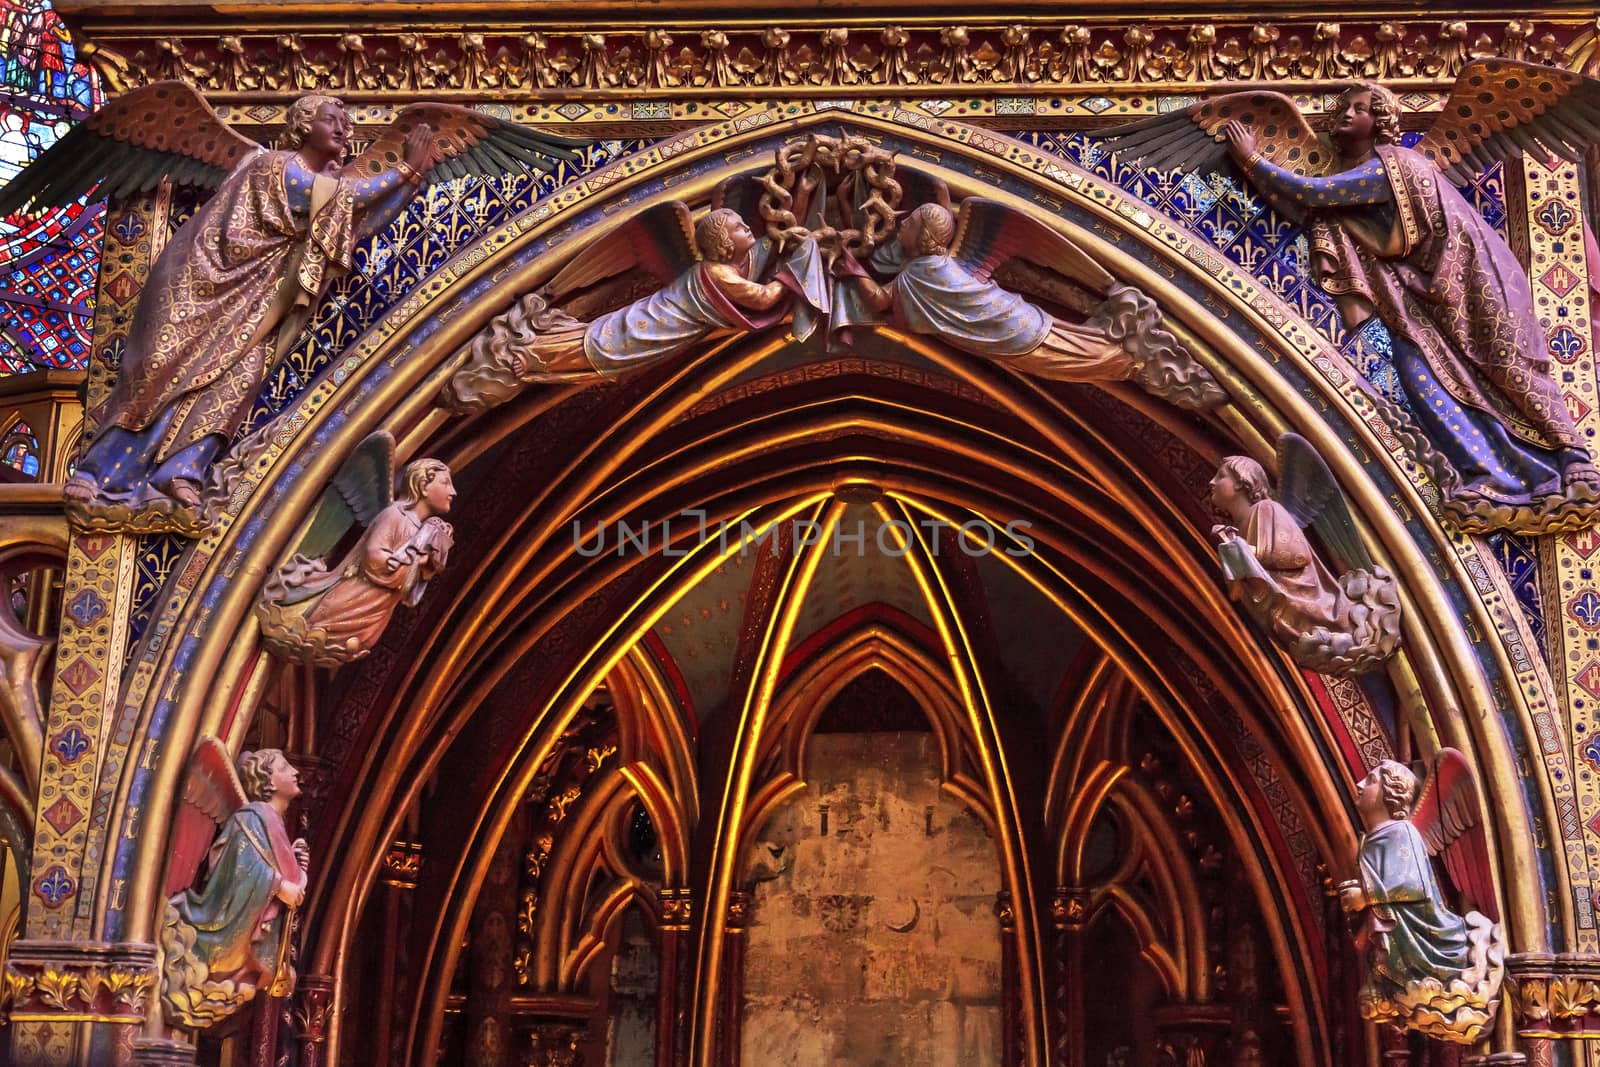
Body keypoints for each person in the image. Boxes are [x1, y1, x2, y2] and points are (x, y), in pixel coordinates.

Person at [1222, 84, 1598, 510]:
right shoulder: (1351, 173)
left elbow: (1313, 193)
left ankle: (1571, 455)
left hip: (1474, 278)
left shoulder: (1393, 164)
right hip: (1419, 298)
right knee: (1415, 371)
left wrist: (1251, 158)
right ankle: (1490, 472)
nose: (1346, 114)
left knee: (1506, 363)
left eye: (1360, 109)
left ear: (1380, 123)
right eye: (1343, 107)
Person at [67, 95, 434, 510]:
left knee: (241, 377)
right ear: (301, 126)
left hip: (259, 303)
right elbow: (341, 194)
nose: (342, 130)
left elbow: (358, 221)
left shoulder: (329, 189)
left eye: (346, 124)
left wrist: (413, 180)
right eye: (331, 120)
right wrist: (404, 169)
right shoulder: (274, 166)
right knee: (162, 371)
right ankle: (99, 471)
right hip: (204, 288)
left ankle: (181, 469)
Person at [163, 749, 309, 1020]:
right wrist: (278, 885)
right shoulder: (253, 817)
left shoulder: (271, 821)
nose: (295, 772)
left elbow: (293, 892)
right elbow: (241, 870)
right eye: (285, 767)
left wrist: (299, 870)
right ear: (269, 781)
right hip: (225, 924)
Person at [296, 458, 455, 656]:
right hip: (355, 598)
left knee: (346, 645)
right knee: (315, 632)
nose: (453, 492)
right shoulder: (395, 515)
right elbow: (374, 556)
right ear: (423, 486)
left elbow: (409, 590)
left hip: (376, 609)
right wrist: (417, 561)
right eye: (445, 483)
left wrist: (430, 559)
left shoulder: (422, 532)